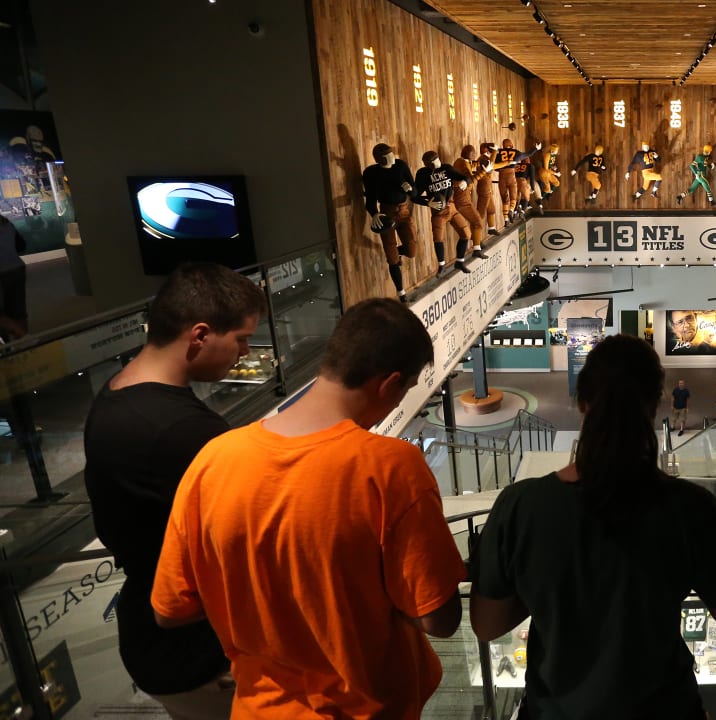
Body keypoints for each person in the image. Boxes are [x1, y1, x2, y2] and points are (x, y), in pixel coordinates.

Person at [151, 299, 467, 718]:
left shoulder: (213, 460)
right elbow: (438, 619)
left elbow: (169, 612)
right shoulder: (389, 467)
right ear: (390, 385)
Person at [470, 335, 716, 719]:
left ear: (582, 402)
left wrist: (546, 586)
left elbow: (486, 625)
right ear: (655, 405)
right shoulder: (691, 508)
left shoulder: (520, 506)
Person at [84, 262, 267, 718]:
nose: (245, 352)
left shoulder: (117, 393)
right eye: (241, 339)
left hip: (156, 634)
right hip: (196, 650)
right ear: (200, 334)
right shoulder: (182, 431)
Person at [362, 143, 419, 301]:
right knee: (392, 259)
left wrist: (410, 190)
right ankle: (401, 293)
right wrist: (374, 214)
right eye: (389, 156)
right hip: (386, 213)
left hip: (404, 211)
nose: (393, 157)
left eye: (392, 154)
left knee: (412, 250)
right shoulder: (371, 173)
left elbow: (415, 192)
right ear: (380, 159)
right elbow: (370, 200)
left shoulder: (400, 166)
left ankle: (398, 252)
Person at [0, 214, 27, 341]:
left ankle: (11, 344)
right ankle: (25, 344)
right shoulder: (7, 224)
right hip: (16, 269)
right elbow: (21, 246)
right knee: (18, 311)